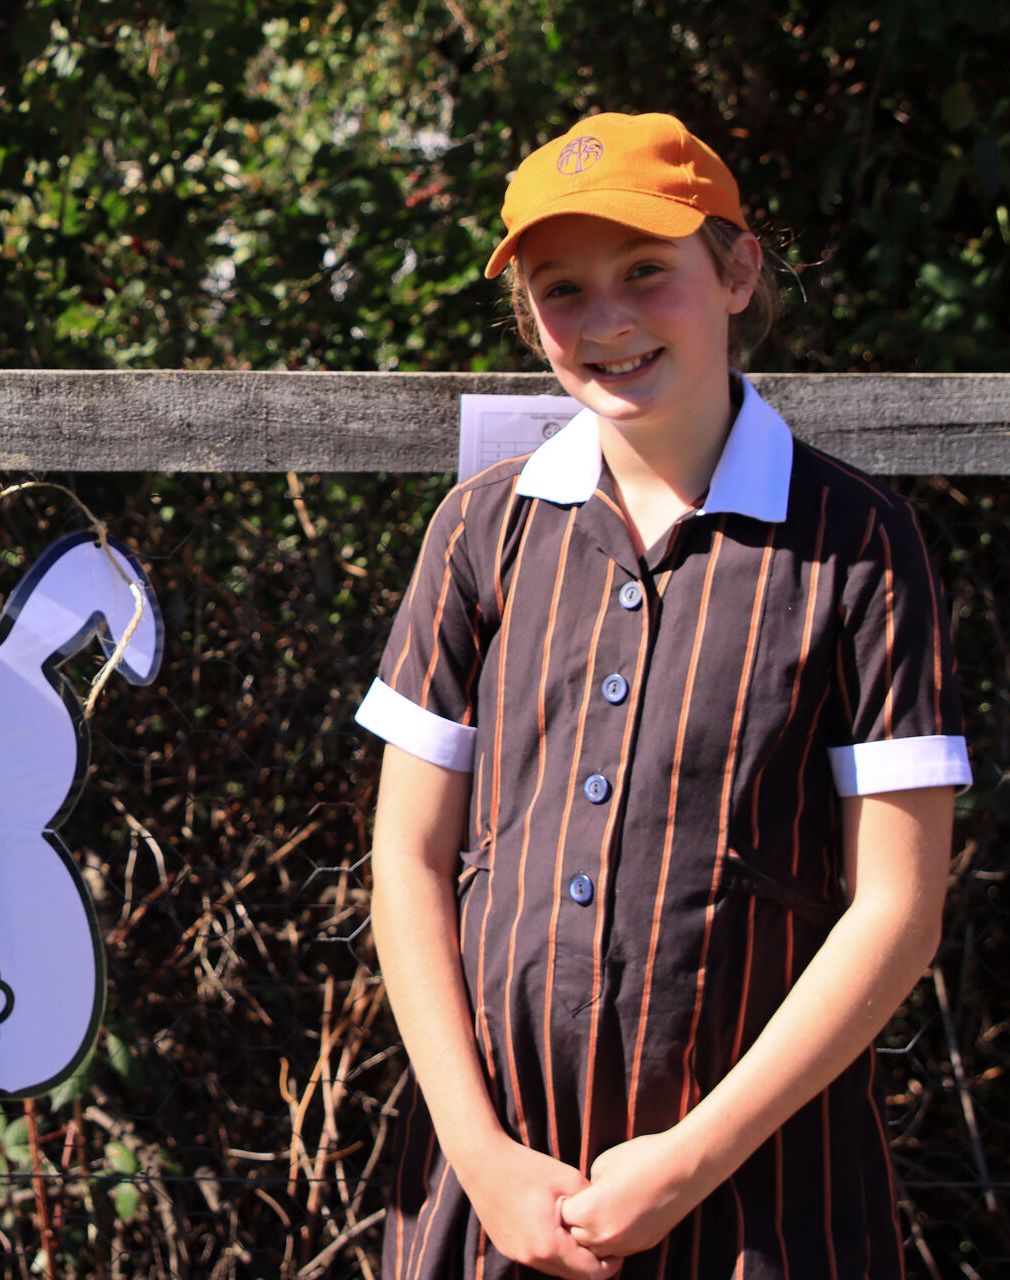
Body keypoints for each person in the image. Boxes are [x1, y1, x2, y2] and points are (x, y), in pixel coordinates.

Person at [359, 112, 970, 1279]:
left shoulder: (861, 545)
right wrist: (481, 1156)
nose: (607, 320)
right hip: (496, 1189)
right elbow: (407, 857)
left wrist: (692, 1157)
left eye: (647, 270)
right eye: (562, 289)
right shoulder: (481, 529)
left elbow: (898, 906)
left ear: (737, 272)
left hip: (766, 1190)